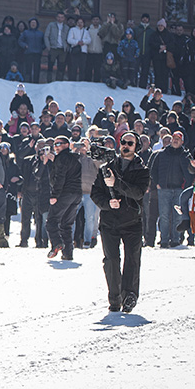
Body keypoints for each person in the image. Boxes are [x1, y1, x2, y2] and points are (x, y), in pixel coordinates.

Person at [89, 131, 151, 312]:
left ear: (136, 147)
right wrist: (107, 203)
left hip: (132, 222)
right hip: (109, 222)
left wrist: (116, 183)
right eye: (123, 142)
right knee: (111, 261)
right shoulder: (107, 167)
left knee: (132, 260)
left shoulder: (142, 170)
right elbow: (95, 193)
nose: (125, 145)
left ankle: (130, 296)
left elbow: (138, 193)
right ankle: (115, 299)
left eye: (130, 143)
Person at [47, 135, 82, 260]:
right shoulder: (75, 157)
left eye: (59, 144)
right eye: (54, 144)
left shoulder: (62, 158)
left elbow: (60, 177)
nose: (55, 147)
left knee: (51, 221)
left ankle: (56, 243)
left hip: (64, 193)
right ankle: (68, 253)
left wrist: (54, 195)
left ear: (67, 145)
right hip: (77, 194)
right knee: (66, 224)